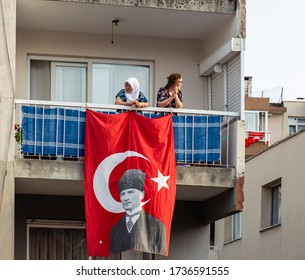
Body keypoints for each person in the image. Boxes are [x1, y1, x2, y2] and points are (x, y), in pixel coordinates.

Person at [109, 169, 166, 255]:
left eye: (130, 192)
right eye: (122, 194)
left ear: (142, 195)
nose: (126, 198)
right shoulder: (115, 230)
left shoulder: (157, 226)